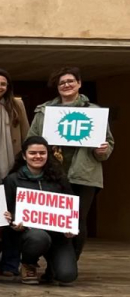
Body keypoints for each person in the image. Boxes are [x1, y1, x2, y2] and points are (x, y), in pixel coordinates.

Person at [28, 66, 115, 260]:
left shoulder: (94, 112)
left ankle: (71, 261)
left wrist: (103, 150)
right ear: (57, 87)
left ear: (79, 84)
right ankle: (53, 263)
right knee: (52, 218)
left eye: (70, 81)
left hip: (84, 174)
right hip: (53, 172)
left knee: (77, 220)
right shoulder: (44, 112)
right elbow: (31, 140)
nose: (66, 85)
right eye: (62, 83)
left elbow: (108, 143)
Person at [3, 136, 77, 285]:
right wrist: (13, 221)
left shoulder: (59, 178)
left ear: (48, 155)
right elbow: (6, 210)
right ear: (24, 156)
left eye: (42, 153)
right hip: (29, 234)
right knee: (39, 238)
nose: (37, 156)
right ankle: (28, 263)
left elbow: (71, 207)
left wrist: (71, 227)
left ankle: (52, 268)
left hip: (57, 235)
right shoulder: (12, 180)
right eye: (32, 153)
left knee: (67, 276)